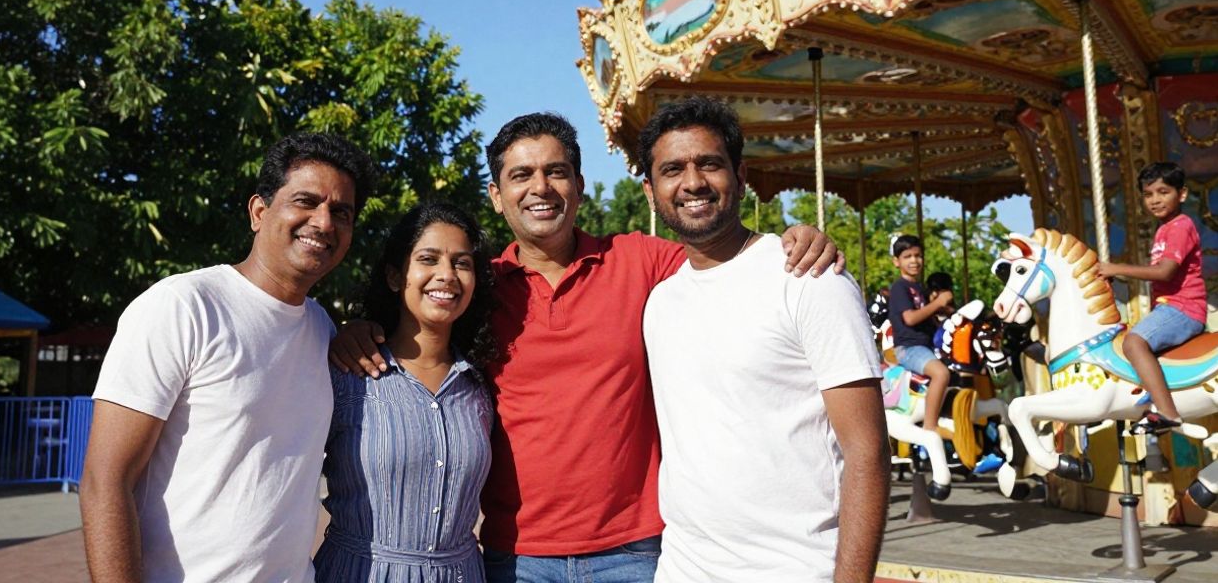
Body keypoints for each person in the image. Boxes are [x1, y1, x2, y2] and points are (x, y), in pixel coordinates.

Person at [331, 111, 841, 582]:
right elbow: (421, 320)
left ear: (579, 185)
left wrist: (790, 239)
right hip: (517, 558)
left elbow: (721, 251)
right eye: (521, 175)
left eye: (556, 172)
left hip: (634, 552)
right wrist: (363, 328)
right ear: (495, 194)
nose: (540, 188)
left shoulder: (641, 261)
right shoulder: (480, 287)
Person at [80, 132, 373, 583]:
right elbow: (105, 481)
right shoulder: (183, 306)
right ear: (259, 211)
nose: (324, 222)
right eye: (305, 201)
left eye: (341, 212)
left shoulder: (323, 331)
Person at [637, 96, 888, 582]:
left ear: (741, 176)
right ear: (651, 191)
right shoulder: (659, 303)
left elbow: (868, 450)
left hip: (795, 568)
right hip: (684, 569)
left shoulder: (808, 279)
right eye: (673, 170)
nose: (692, 183)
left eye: (709, 164)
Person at [315, 203, 497, 582]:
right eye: (428, 259)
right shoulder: (347, 372)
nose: (446, 275)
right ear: (397, 276)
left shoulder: (480, 387)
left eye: (462, 263)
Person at [1100, 161, 1209, 433]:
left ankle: (1168, 413)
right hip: (1171, 308)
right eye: (1148, 195)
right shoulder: (1165, 229)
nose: (1155, 200)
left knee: (1134, 342)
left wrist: (1116, 267)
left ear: (1181, 194)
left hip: (1183, 308)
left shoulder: (1180, 226)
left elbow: (1165, 272)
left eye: (1163, 192)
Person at [888, 234, 954, 435]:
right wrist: (938, 303)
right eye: (907, 256)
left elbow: (929, 315)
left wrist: (946, 310)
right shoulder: (900, 287)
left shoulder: (919, 288)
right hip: (909, 348)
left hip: (926, 345)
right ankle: (930, 425)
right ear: (896, 262)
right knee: (942, 373)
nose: (914, 261)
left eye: (917, 255)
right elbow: (910, 318)